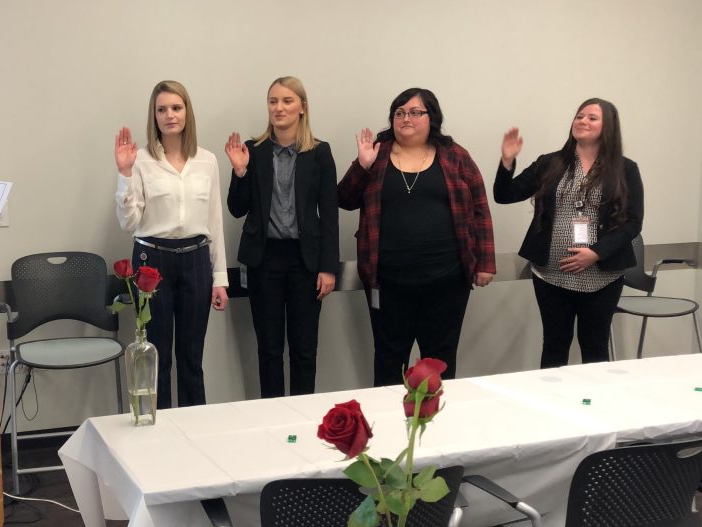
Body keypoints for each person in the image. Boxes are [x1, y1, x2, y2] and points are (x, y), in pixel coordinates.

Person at [337, 88, 495, 386]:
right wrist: (363, 165)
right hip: (388, 282)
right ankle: (389, 429)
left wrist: (484, 262)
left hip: (447, 281)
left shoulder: (455, 155)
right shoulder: (377, 152)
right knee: (388, 359)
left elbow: (479, 209)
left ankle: (433, 428)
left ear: (431, 117)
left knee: (439, 360)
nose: (405, 118)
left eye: (414, 112)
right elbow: (344, 198)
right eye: (399, 113)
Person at [495, 98, 643, 368]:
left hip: (603, 276)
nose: (582, 121)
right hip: (551, 275)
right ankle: (551, 406)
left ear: (608, 127)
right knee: (554, 344)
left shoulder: (625, 168)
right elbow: (504, 195)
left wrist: (595, 253)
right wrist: (507, 161)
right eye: (579, 116)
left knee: (595, 346)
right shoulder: (550, 162)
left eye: (592, 118)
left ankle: (593, 406)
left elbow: (633, 222)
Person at [114, 80, 228, 408]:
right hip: (153, 261)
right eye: (162, 109)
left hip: (195, 260)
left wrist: (219, 279)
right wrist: (124, 174)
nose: (170, 115)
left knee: (192, 360)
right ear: (154, 116)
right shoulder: (140, 161)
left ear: (187, 112)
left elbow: (214, 222)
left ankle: (195, 434)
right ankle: (157, 434)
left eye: (176, 108)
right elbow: (129, 223)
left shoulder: (206, 161)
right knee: (158, 359)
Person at [224, 76, 338, 397]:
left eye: (287, 101)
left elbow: (329, 215)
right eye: (273, 101)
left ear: (302, 107)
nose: (279, 108)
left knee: (304, 351)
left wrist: (328, 267)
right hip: (265, 262)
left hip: (306, 263)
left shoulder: (319, 153)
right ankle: (271, 423)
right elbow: (236, 209)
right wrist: (240, 172)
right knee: (269, 351)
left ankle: (302, 419)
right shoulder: (253, 151)